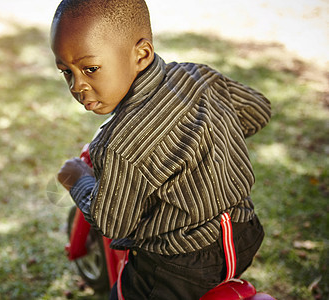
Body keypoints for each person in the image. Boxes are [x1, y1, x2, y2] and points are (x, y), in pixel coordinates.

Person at [51, 0, 271, 299]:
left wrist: (79, 180)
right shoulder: (199, 76)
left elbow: (112, 222)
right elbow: (258, 111)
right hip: (244, 235)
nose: (77, 86)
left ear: (141, 55)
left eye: (90, 68)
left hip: (176, 267)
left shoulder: (118, 145)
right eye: (66, 72)